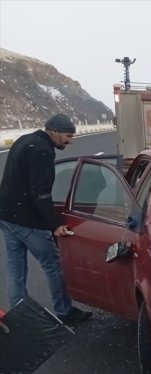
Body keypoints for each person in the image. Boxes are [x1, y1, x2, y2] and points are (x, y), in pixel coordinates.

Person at [0, 113, 92, 325]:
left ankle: (19, 315)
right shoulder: (42, 150)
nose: (70, 140)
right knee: (52, 264)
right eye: (68, 136)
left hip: (6, 214)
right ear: (54, 131)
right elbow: (40, 193)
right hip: (25, 219)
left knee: (16, 267)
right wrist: (55, 225)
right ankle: (65, 311)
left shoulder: (26, 139)